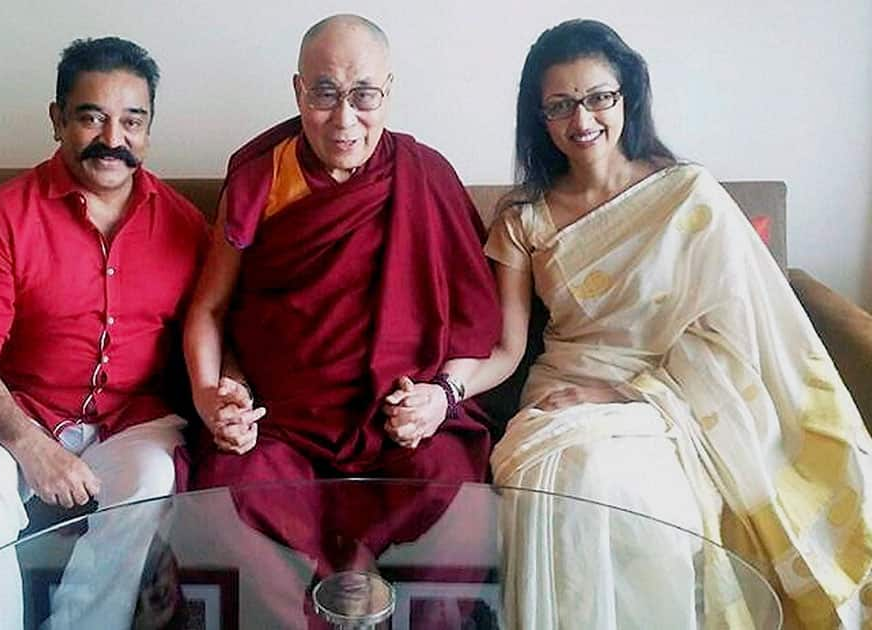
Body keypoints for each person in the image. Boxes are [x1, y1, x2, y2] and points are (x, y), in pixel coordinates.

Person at [410, 18, 871, 629]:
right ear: (539, 117)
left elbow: (736, 336)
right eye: (561, 105)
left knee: (624, 492)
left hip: (665, 403)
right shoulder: (523, 217)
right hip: (559, 399)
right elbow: (505, 348)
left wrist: (626, 392)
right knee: (554, 478)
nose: (583, 121)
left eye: (599, 97)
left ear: (627, 94)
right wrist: (443, 392)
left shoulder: (687, 197)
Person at [181, 13, 500, 578]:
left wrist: (438, 399)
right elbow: (209, 309)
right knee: (232, 501)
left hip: (400, 425)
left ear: (390, 92)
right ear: (299, 91)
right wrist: (213, 399)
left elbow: (481, 326)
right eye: (325, 93)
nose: (345, 119)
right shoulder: (261, 180)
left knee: (456, 504)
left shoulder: (426, 177)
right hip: (279, 424)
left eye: (364, 94)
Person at [0, 37, 207, 629]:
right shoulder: (4, 216)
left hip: (135, 418)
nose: (114, 139)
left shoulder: (185, 224)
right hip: (20, 414)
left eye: (132, 121)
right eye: (91, 117)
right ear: (57, 121)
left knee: (153, 478)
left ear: (149, 129)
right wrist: (33, 447)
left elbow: (215, 331)